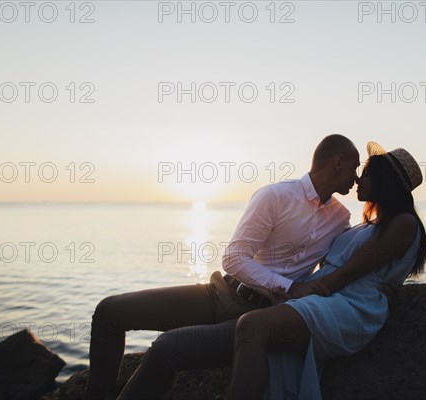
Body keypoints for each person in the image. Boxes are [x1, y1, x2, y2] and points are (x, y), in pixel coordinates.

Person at [82, 134, 361, 400]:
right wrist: (291, 287)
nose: (356, 177)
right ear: (338, 161)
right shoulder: (275, 196)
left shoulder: (340, 218)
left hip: (257, 318)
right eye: (354, 167)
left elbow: (347, 262)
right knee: (109, 311)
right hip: (221, 294)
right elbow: (234, 258)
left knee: (166, 348)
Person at [228, 141, 426, 400]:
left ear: (384, 180)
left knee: (252, 326)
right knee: (258, 332)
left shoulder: (404, 223)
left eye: (365, 173)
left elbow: (354, 270)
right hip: (333, 299)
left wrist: (298, 293)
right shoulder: (368, 225)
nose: (358, 179)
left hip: (352, 306)